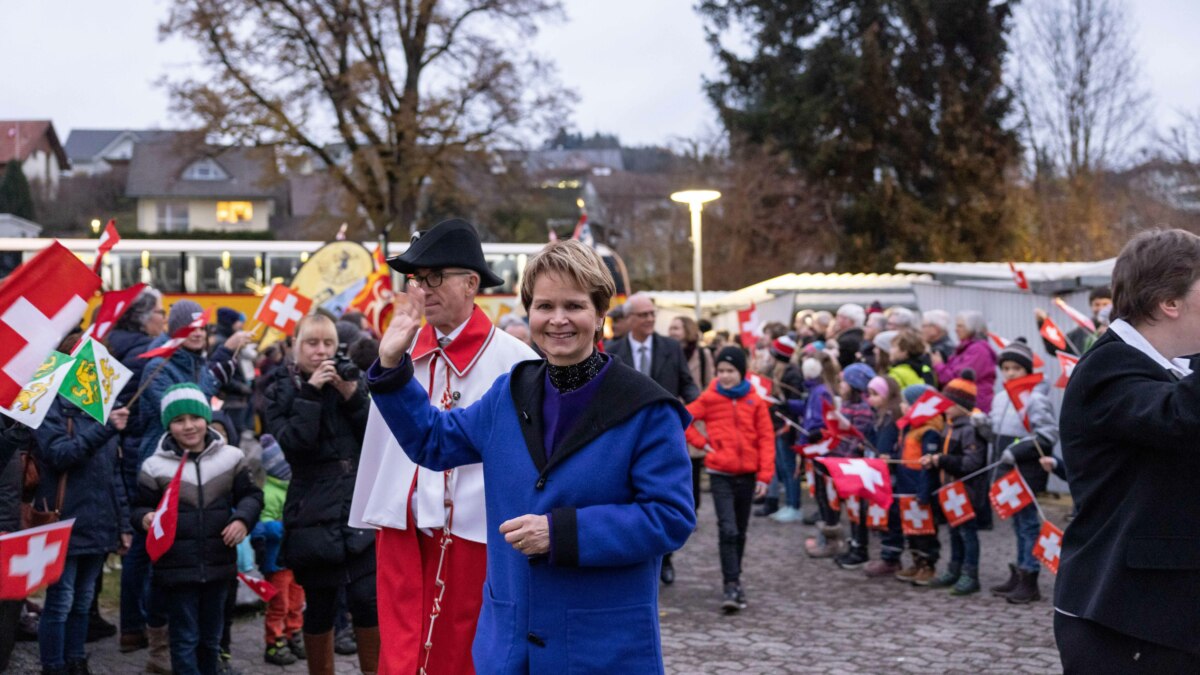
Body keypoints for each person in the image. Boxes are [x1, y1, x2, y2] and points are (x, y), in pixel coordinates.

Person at [368, 239, 695, 673]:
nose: (557, 320)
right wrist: (392, 367)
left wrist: (562, 532)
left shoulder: (646, 408)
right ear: (529, 313)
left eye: (574, 306)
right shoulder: (510, 391)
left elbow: (669, 517)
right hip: (509, 643)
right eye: (544, 306)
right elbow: (434, 442)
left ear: (600, 315)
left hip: (601, 648)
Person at [348, 218, 536, 675]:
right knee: (401, 656)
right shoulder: (398, 351)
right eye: (417, 279)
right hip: (402, 534)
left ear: (471, 283)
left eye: (436, 277)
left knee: (464, 656)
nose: (423, 289)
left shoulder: (516, 362)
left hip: (477, 539)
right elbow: (381, 445)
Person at [1055, 229, 1200, 672]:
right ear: (1169, 303)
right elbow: (1181, 418)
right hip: (1122, 617)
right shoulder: (1108, 367)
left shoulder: (1172, 367)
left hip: (1161, 612)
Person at [263, 313, 376, 675]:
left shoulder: (350, 378)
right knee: (322, 603)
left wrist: (352, 395)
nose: (321, 351)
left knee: (366, 600)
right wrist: (311, 392)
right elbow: (296, 445)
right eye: (312, 343)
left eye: (327, 343)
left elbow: (376, 436)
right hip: (312, 507)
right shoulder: (281, 389)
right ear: (296, 347)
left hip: (356, 502)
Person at [132, 384, 262, 675]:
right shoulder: (155, 466)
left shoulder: (231, 457)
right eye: (179, 420)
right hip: (176, 569)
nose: (188, 426)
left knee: (210, 640)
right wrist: (145, 518)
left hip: (219, 565)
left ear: (206, 418)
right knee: (184, 639)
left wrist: (242, 519)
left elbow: (252, 496)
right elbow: (138, 507)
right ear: (169, 425)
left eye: (195, 417)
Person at [33, 336, 132, 675]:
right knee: (59, 602)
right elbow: (60, 454)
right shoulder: (50, 405)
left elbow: (113, 473)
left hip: (99, 520)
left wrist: (123, 525)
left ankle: (76, 660)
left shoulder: (100, 406)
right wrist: (104, 430)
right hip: (64, 518)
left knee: (83, 599)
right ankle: (54, 665)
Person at [607, 292, 699, 584]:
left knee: (664, 500)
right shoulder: (614, 350)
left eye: (651, 314)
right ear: (629, 318)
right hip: (623, 437)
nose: (649, 319)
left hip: (663, 437)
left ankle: (666, 560)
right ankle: (633, 557)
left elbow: (688, 386)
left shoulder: (671, 348)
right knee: (630, 498)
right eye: (643, 315)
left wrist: (692, 415)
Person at [684, 347, 774, 613]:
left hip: (747, 474)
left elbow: (766, 438)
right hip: (719, 472)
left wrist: (765, 475)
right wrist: (702, 443)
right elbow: (683, 418)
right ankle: (731, 583)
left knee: (741, 531)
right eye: (721, 371)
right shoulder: (709, 398)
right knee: (728, 529)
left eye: (730, 371)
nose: (725, 376)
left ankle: (735, 576)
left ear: (741, 372)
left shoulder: (755, 401)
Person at [975, 337, 1060, 604]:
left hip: (1026, 471)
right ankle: (1019, 571)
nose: (1010, 373)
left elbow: (1046, 435)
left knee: (1027, 524)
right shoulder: (1001, 398)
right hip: (1005, 472)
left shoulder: (1035, 399)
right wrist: (983, 425)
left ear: (1027, 371)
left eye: (1016, 368)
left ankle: (1030, 577)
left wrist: (1017, 451)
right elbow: (996, 433)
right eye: (1006, 368)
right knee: (1016, 522)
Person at [106, 286, 166, 655]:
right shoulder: (144, 354)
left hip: (120, 451)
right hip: (136, 453)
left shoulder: (116, 345)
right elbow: (145, 414)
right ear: (144, 318)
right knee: (142, 544)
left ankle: (130, 625)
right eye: (160, 311)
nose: (163, 317)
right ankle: (135, 624)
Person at [920, 371, 989, 595]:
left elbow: (972, 463)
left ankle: (971, 574)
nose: (944, 407)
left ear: (961, 405)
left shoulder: (970, 429)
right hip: (949, 491)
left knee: (967, 533)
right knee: (953, 532)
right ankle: (954, 568)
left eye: (948, 403)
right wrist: (933, 460)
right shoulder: (949, 426)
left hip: (966, 491)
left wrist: (942, 460)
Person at [251, 435, 306, 666]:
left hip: (296, 558)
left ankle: (294, 632)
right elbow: (261, 528)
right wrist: (286, 526)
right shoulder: (269, 493)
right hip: (276, 562)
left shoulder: (296, 487)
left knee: (296, 600)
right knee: (279, 603)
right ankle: (275, 641)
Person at [893, 384, 944, 585]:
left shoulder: (929, 431)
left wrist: (923, 492)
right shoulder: (909, 427)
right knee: (911, 529)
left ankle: (928, 564)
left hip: (919, 488)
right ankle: (916, 561)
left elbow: (927, 466)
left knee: (925, 531)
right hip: (905, 488)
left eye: (906, 402)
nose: (902, 406)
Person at [670, 315, 716, 512]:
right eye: (670, 328)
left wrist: (700, 403)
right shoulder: (667, 353)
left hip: (695, 416)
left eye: (676, 328)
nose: (671, 332)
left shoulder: (702, 355)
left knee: (693, 467)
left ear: (687, 330)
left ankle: (693, 507)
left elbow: (710, 382)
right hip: (672, 414)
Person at [757, 337, 806, 521]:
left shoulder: (792, 373)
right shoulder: (776, 371)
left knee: (789, 466)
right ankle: (788, 504)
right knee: (782, 466)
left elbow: (793, 402)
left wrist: (780, 404)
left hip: (787, 426)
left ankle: (794, 505)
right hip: (776, 424)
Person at [862, 376, 905, 577]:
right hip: (880, 470)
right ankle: (887, 554)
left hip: (891, 473)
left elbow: (892, 447)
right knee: (884, 513)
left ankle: (891, 557)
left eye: (875, 394)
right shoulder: (879, 415)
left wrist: (888, 456)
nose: (871, 399)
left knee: (892, 516)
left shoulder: (892, 417)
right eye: (869, 394)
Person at [932, 310, 997, 413]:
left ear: (972, 327)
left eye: (960, 326)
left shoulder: (978, 350)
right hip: (966, 403)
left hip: (974, 404)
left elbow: (958, 380)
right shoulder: (965, 348)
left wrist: (939, 365)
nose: (956, 329)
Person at [830, 304, 866, 369]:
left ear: (849, 320)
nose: (836, 319)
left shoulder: (847, 341)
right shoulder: (859, 335)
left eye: (840, 317)